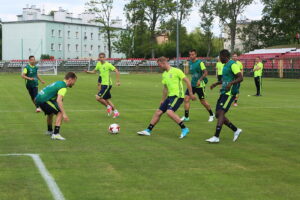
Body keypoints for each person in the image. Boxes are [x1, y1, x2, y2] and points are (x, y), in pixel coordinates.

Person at [137, 57, 196, 138]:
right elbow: (165, 88)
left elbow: (187, 81)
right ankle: (148, 130)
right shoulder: (164, 74)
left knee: (169, 112)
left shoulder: (177, 71)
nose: (159, 67)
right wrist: (163, 99)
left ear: (163, 63)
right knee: (158, 112)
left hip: (177, 96)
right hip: (170, 96)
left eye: (159, 65)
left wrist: (191, 93)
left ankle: (184, 128)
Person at [206, 50, 243, 143]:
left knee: (221, 112)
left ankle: (216, 136)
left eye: (219, 56)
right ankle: (236, 130)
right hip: (224, 92)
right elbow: (225, 79)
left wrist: (231, 83)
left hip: (230, 93)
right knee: (218, 115)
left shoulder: (232, 65)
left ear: (224, 56)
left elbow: (240, 77)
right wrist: (216, 83)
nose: (219, 58)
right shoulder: (225, 66)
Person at [35, 72, 77, 140]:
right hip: (44, 100)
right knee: (60, 112)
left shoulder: (58, 82)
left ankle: (49, 130)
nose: (74, 83)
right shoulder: (63, 87)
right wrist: (64, 114)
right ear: (70, 79)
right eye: (74, 81)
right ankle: (56, 134)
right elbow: (59, 100)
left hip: (38, 98)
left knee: (50, 113)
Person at [181, 49, 214, 122]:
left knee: (202, 101)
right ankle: (186, 117)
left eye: (192, 54)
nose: (191, 56)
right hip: (192, 84)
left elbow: (205, 72)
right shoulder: (190, 63)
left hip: (200, 85)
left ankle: (211, 114)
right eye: (190, 54)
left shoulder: (200, 62)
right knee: (186, 98)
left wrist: (200, 80)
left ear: (196, 54)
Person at [86, 52, 120, 118]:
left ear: (105, 58)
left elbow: (116, 71)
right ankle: (116, 112)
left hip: (107, 85)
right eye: (100, 57)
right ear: (99, 58)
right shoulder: (98, 64)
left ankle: (108, 107)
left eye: (102, 57)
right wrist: (88, 72)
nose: (101, 59)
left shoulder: (108, 64)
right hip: (103, 84)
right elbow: (94, 71)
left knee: (98, 97)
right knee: (107, 100)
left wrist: (118, 81)